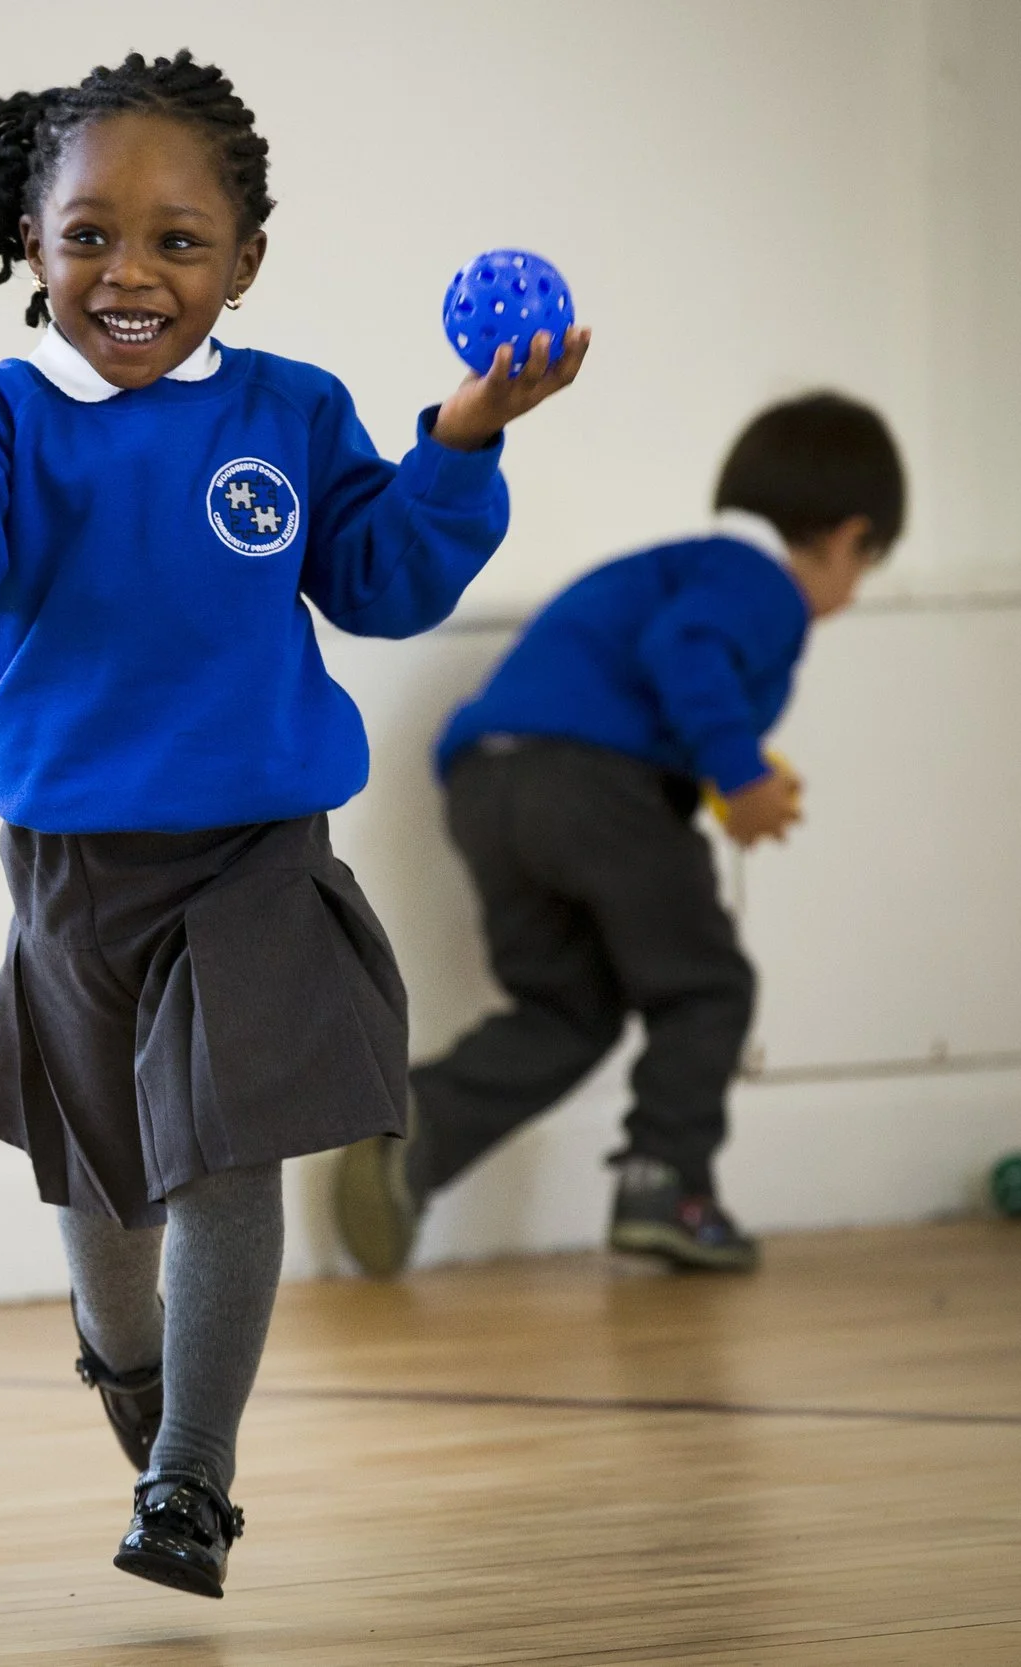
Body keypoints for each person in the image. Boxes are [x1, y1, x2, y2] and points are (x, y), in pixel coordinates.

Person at [0, 50, 589, 1599]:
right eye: (90, 235)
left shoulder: (290, 409)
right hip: (70, 870)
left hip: (256, 853)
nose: (131, 272)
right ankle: (132, 1370)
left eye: (178, 241)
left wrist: (463, 433)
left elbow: (384, 580)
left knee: (225, 1156)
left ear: (244, 261)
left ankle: (191, 1473)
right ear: (33, 248)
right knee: (110, 1191)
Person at [332, 393, 902, 1279]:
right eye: (865, 567)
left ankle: (420, 1127)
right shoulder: (758, 582)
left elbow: (655, 669)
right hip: (595, 787)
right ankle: (665, 1182)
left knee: (571, 1008)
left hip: (489, 787)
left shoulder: (679, 567)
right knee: (707, 986)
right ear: (845, 537)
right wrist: (742, 776)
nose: (851, 594)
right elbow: (686, 650)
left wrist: (724, 765)